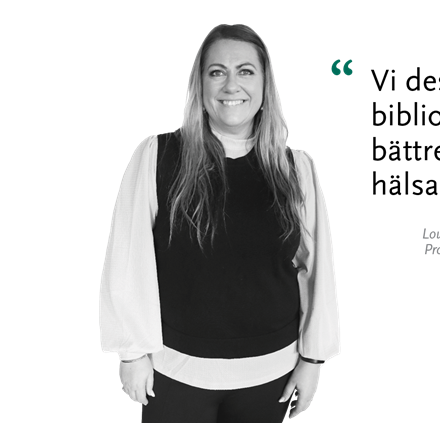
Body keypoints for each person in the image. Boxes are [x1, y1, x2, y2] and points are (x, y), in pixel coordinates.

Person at [99, 24, 340, 422]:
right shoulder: (157, 155)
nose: (231, 85)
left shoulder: (295, 167)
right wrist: (131, 353)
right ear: (200, 84)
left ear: (264, 85)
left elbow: (317, 271)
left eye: (245, 71)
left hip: (271, 375)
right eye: (217, 72)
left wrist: (312, 360)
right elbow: (127, 258)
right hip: (174, 371)